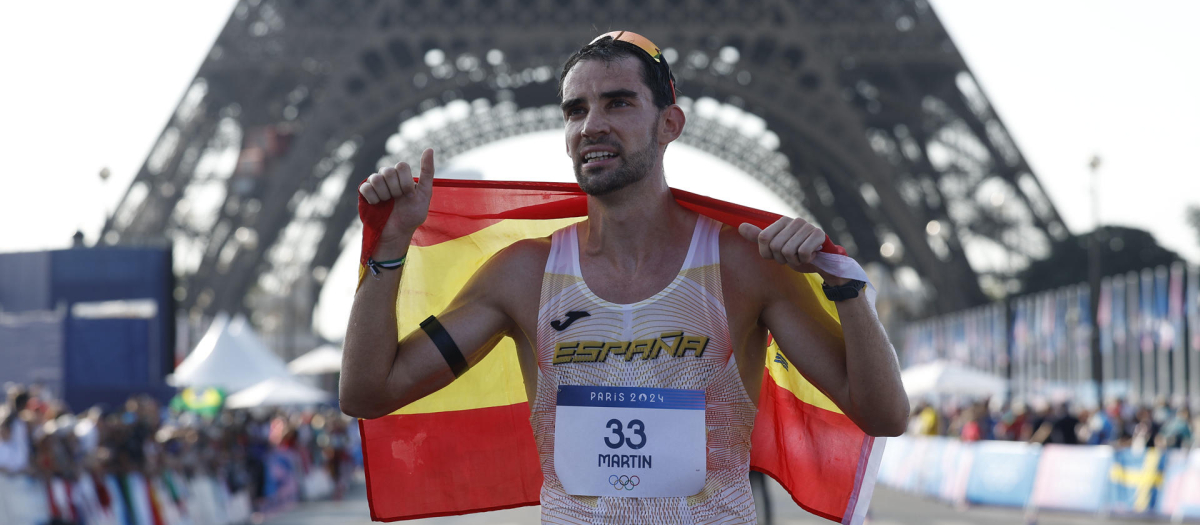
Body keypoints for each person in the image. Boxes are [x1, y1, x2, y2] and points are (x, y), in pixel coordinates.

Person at [340, 30, 908, 523]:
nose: (592, 126)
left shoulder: (743, 265)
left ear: (670, 122)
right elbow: (368, 392)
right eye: (575, 110)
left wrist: (847, 288)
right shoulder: (523, 274)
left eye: (618, 103)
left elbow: (883, 413)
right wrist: (389, 249)